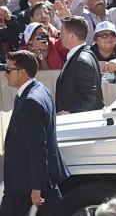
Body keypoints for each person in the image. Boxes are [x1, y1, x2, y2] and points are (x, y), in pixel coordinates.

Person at [0, 50, 70, 215]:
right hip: (36, 179)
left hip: (26, 182)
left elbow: (38, 147)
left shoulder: (30, 102)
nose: (5, 74)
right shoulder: (39, 90)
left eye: (9, 70)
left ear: (22, 72)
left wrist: (37, 187)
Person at [55, 15, 104, 114]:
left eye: (62, 33)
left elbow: (90, 96)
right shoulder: (86, 54)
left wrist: (71, 113)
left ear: (72, 36)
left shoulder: (81, 61)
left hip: (80, 123)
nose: (60, 37)